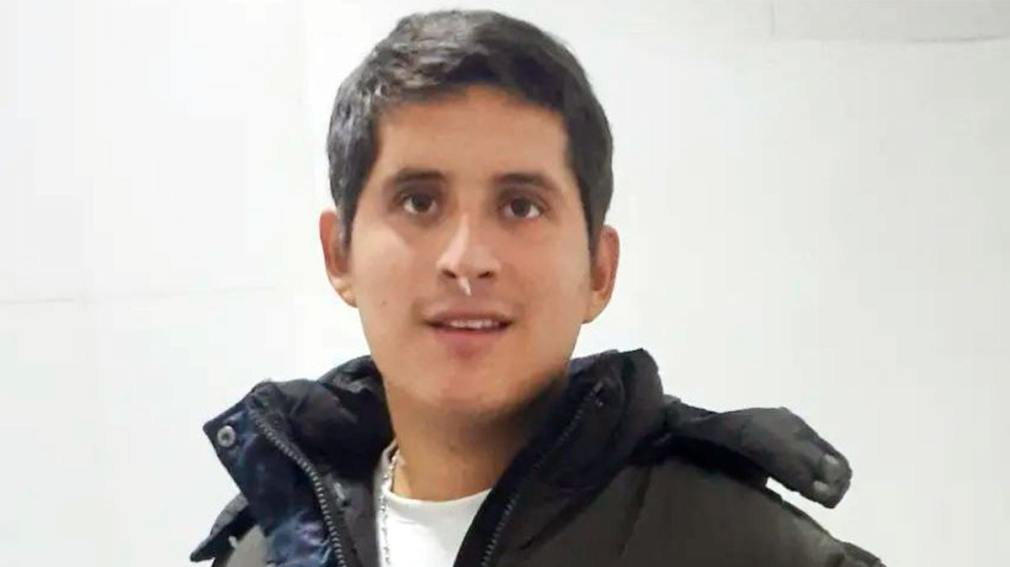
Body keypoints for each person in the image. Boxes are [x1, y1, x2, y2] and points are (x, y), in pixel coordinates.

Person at [190, 9, 884, 567]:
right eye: (419, 202)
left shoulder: (746, 549)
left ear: (599, 270)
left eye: (520, 206)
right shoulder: (265, 553)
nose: (466, 260)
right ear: (339, 253)